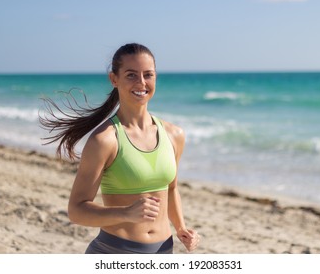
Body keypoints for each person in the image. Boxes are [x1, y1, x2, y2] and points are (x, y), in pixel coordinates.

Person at [40, 43, 200, 254]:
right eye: (131, 75)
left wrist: (181, 227)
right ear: (114, 79)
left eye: (148, 75)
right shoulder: (105, 140)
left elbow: (171, 189)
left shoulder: (174, 135)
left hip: (164, 251)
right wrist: (125, 213)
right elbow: (76, 210)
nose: (141, 82)